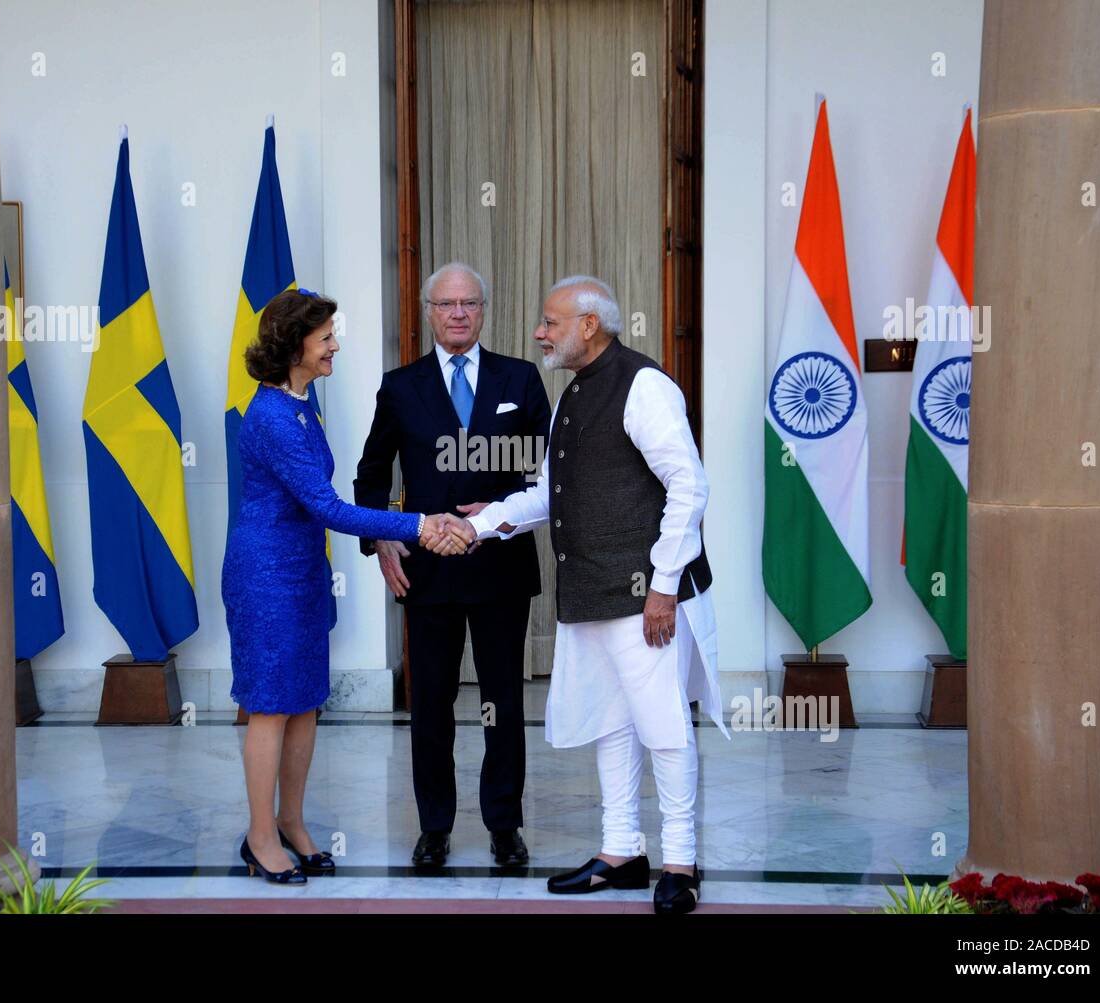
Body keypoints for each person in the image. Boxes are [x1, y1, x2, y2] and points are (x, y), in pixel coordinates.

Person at [450, 276, 730, 914]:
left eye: (550, 322)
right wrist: (482, 522)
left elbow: (689, 487)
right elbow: (549, 492)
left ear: (589, 326)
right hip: (590, 590)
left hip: (645, 597)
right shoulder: (574, 392)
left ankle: (680, 865)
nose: (539, 333)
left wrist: (662, 585)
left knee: (662, 728)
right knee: (611, 722)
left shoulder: (644, 386)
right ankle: (620, 852)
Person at [222, 287, 472, 884]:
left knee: (305, 701)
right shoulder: (274, 416)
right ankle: (260, 837)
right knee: (269, 707)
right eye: (326, 337)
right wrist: (417, 522)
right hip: (266, 579)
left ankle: (292, 823)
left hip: (303, 573)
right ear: (295, 344)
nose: (336, 345)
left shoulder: (301, 402)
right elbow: (327, 505)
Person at [354, 262, 551, 867]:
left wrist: (502, 511)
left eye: (469, 303)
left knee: (503, 705)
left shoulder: (520, 378)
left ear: (484, 310)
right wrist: (379, 540)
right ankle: (434, 827)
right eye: (446, 304)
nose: (458, 313)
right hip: (426, 573)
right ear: (429, 312)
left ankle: (504, 827)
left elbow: (547, 470)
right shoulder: (400, 385)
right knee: (431, 707)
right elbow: (370, 472)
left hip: (500, 569)